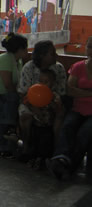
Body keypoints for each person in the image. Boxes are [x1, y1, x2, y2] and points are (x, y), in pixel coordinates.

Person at [48, 35, 92, 180]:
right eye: (89, 46)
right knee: (67, 127)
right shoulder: (79, 67)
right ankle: (60, 158)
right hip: (78, 108)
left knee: (84, 133)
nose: (90, 50)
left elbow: (75, 89)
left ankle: (70, 165)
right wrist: (89, 93)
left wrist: (81, 93)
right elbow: (70, 89)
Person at [17, 40, 67, 161]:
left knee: (60, 115)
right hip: (29, 102)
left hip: (52, 101)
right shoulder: (29, 67)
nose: (56, 55)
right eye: (52, 53)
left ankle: (56, 150)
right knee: (26, 116)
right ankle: (26, 147)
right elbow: (23, 93)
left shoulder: (59, 68)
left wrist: (53, 105)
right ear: (41, 56)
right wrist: (34, 108)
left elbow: (61, 91)